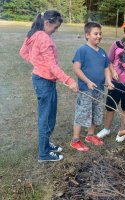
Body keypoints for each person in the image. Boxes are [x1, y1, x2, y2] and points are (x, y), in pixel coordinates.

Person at [19, 10, 78, 162]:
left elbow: (23, 52)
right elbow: (52, 66)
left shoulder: (35, 33)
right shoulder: (44, 38)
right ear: (47, 23)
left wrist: (38, 66)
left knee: (49, 115)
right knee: (46, 118)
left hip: (42, 79)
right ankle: (43, 154)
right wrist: (69, 80)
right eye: (55, 27)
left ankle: (45, 145)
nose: (55, 31)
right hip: (44, 82)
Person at [69, 22, 113, 152]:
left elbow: (106, 69)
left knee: (95, 112)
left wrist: (109, 82)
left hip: (99, 89)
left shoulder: (103, 52)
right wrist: (87, 81)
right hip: (85, 90)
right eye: (95, 34)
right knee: (82, 113)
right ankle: (75, 140)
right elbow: (76, 68)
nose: (99, 36)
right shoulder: (82, 50)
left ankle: (90, 135)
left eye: (100, 33)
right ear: (87, 35)